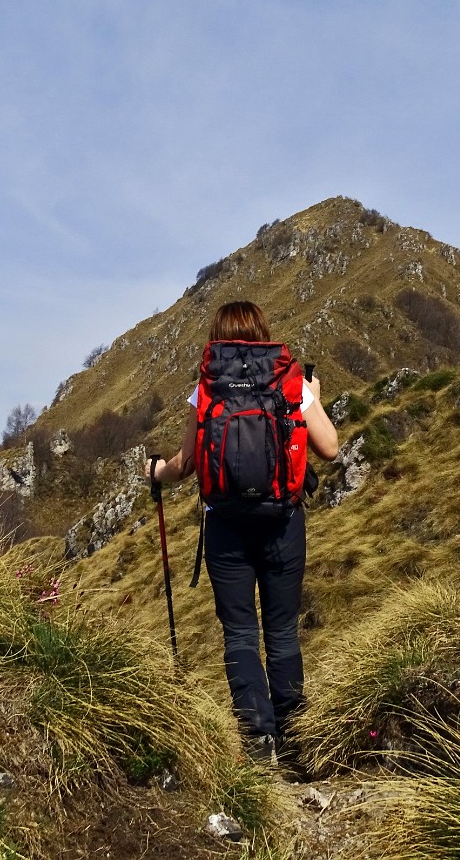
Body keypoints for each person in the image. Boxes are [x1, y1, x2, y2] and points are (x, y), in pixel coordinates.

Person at [145, 301, 339, 761]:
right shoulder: (291, 381)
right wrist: (315, 394)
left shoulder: (207, 387)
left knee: (239, 633)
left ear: (219, 336)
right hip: (283, 524)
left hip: (227, 528)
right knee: (282, 631)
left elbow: (186, 464)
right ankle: (296, 737)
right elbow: (329, 448)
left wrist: (156, 471)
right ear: (262, 331)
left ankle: (257, 738)